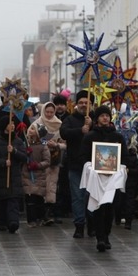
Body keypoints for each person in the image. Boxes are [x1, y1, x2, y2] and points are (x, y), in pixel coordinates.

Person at [81, 105, 135, 251]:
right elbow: (85, 157)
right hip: (97, 178)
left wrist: (124, 166)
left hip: (112, 178)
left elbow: (124, 155)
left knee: (111, 206)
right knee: (99, 207)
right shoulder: (90, 137)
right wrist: (91, 167)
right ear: (97, 119)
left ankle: (107, 234)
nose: (105, 118)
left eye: (107, 115)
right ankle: (100, 237)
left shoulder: (117, 136)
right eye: (102, 115)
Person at [60, 90, 94, 238]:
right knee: (78, 197)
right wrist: (81, 130)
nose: (83, 105)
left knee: (92, 196)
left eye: (86, 103)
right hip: (76, 165)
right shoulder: (70, 119)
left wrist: (92, 126)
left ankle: (92, 224)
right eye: (80, 102)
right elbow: (64, 132)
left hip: (93, 166)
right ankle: (79, 224)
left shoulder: (95, 118)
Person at [0, 116, 28, 233]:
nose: (12, 126)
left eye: (13, 124)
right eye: (10, 123)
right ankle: (3, 222)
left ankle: (13, 221)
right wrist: (3, 163)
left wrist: (14, 151)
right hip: (1, 175)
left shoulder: (18, 141)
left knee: (13, 199)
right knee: (3, 200)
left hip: (15, 175)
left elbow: (24, 157)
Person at [29, 102, 64, 225]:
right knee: (41, 185)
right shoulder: (36, 123)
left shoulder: (59, 125)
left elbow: (65, 143)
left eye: (51, 112)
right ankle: (40, 214)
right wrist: (43, 142)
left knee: (52, 185)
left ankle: (49, 212)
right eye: (47, 112)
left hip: (54, 158)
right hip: (40, 159)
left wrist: (57, 145)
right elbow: (30, 139)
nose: (49, 114)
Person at [23, 124, 51, 227]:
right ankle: (31, 219)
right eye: (30, 128)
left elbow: (47, 161)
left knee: (38, 198)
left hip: (39, 176)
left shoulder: (43, 146)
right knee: (29, 198)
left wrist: (38, 165)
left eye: (33, 129)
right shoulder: (25, 144)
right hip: (27, 175)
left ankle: (40, 217)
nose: (30, 130)